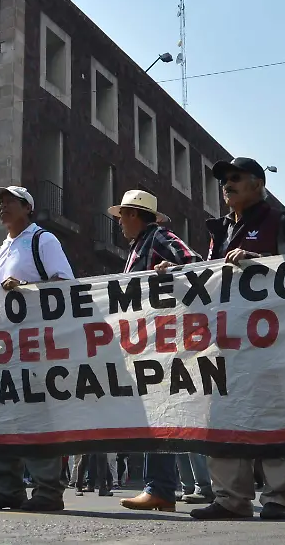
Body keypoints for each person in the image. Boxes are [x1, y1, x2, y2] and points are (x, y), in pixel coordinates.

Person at [192, 158, 285, 521]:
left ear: (258, 184)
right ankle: (230, 499)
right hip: (225, 342)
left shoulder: (279, 221)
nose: (227, 184)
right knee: (222, 417)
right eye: (224, 179)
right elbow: (209, 279)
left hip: (269, 340)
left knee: (273, 415)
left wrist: (258, 261)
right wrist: (176, 273)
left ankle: (278, 498)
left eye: (235, 178)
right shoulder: (220, 230)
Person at [0, 186, 74, 512]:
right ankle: (7, 489)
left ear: (27, 207)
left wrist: (27, 288)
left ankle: (48, 490)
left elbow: (65, 284)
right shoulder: (1, 250)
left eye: (9, 201)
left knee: (36, 415)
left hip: (35, 345)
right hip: (2, 348)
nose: (2, 206)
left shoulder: (43, 240)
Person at [110, 190, 201, 513]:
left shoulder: (159, 236)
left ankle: (159, 488)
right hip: (149, 341)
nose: (119, 223)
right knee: (156, 412)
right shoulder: (138, 246)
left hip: (163, 341)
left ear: (134, 215)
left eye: (122, 216)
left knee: (160, 412)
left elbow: (195, 264)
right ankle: (161, 489)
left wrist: (172, 268)